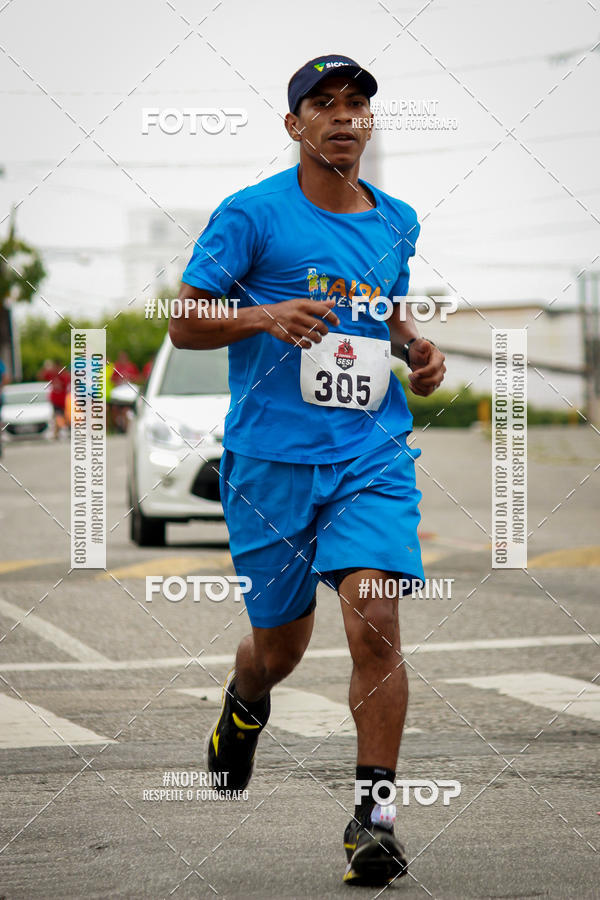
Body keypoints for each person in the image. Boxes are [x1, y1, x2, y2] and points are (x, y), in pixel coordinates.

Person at [169, 54, 446, 887]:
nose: (342, 115)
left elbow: (384, 308)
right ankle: (244, 704)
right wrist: (263, 313)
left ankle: (376, 821)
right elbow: (185, 321)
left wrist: (414, 349)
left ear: (368, 124)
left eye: (356, 104)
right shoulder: (251, 215)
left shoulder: (395, 219)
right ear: (295, 126)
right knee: (279, 649)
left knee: (375, 620)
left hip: (369, 455)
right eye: (322, 104)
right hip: (270, 464)